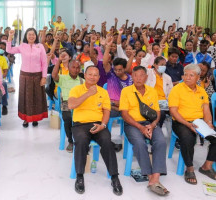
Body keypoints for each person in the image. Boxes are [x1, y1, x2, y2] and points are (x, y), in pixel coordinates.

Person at [68, 65, 123, 195]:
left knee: (107, 141)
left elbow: (106, 111)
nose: (92, 77)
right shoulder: (76, 89)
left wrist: (103, 125)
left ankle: (114, 177)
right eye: (90, 74)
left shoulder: (103, 92)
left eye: (95, 75)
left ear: (99, 77)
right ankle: (79, 176)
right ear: (85, 75)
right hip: (80, 124)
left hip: (98, 124)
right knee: (81, 141)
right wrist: (88, 93)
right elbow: (71, 105)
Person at [119, 66, 168, 196]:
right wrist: (140, 127)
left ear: (146, 77)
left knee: (161, 142)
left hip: (150, 123)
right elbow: (124, 114)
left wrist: (152, 125)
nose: (139, 78)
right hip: (132, 124)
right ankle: (150, 175)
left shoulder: (152, 91)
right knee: (140, 143)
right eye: (136, 75)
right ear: (132, 77)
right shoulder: (126, 91)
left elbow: (157, 111)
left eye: (142, 75)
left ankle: (155, 178)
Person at [169, 64, 216, 185]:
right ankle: (189, 168)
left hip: (198, 122)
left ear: (198, 77)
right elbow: (173, 111)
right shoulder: (177, 89)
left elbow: (206, 109)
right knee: (188, 138)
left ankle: (207, 166)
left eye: (191, 75)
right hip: (181, 121)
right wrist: (188, 124)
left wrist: (209, 123)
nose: (187, 77)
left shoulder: (201, 90)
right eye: (185, 75)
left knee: (215, 136)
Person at [6, 28, 48, 127]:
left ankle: (35, 118)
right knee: (25, 97)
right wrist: (10, 37)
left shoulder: (40, 46)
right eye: (29, 34)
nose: (31, 36)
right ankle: (25, 119)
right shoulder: (22, 46)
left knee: (36, 97)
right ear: (26, 36)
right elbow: (9, 50)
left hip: (37, 75)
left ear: (36, 36)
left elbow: (44, 63)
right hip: (25, 75)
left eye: (33, 34)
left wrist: (44, 77)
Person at [52, 59, 82, 152]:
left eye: (77, 68)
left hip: (79, 103)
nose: (75, 70)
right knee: (68, 118)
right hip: (66, 103)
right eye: (73, 67)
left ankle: (81, 140)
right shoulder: (63, 78)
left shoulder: (82, 81)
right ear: (68, 68)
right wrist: (59, 61)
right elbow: (54, 75)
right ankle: (71, 141)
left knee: (84, 118)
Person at [146, 56, 173, 127]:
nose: (163, 67)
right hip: (152, 102)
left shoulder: (167, 77)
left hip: (165, 102)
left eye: (164, 65)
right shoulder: (148, 73)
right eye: (161, 65)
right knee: (161, 113)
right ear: (154, 64)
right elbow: (144, 65)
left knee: (176, 112)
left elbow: (171, 93)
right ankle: (156, 129)